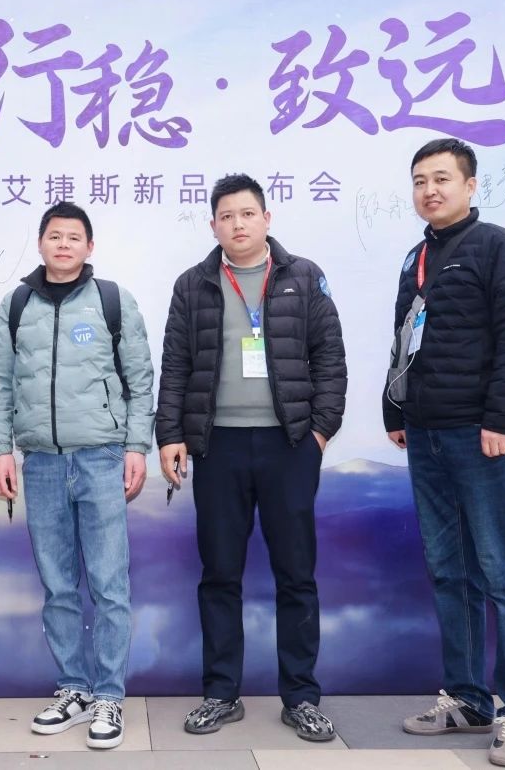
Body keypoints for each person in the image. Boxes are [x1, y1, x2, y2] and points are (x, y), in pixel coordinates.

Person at [156, 174, 347, 743]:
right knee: (219, 574)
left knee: (296, 574)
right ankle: (221, 693)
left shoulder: (304, 277)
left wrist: (318, 433)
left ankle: (301, 697)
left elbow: (330, 359)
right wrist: (171, 434)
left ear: (267, 218)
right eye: (226, 216)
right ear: (213, 225)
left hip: (289, 446)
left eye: (246, 213)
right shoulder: (193, 285)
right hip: (219, 447)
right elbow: (176, 365)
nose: (237, 224)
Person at [385, 138, 505, 767]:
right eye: (420, 180)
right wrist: (394, 410)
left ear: (471, 185)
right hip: (425, 434)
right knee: (449, 571)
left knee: (504, 574)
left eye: (442, 178)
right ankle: (467, 699)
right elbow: (404, 335)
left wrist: (502, 417)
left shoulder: (501, 247)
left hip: (482, 435)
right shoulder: (417, 256)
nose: (430, 190)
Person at [0, 202, 154, 750]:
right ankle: (73, 688)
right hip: (41, 464)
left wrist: (136, 446)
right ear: (40, 243)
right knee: (57, 586)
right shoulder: (16, 305)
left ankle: (109, 695)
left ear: (89, 246)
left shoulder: (112, 301)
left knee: (108, 584)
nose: (63, 245)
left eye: (73, 237)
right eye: (54, 236)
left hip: (101, 458)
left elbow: (139, 380)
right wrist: (0, 451)